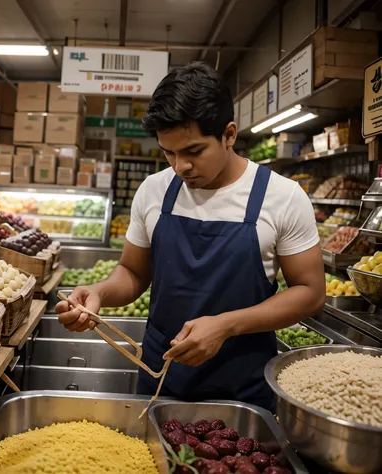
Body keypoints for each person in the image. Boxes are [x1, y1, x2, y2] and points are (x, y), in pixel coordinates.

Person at [56, 62, 325, 411]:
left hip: (241, 389)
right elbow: (134, 273)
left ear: (229, 134)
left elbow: (310, 292)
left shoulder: (282, 197)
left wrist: (226, 326)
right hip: (159, 376)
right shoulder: (153, 191)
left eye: (194, 151)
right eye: (169, 152)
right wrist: (98, 293)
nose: (180, 166)